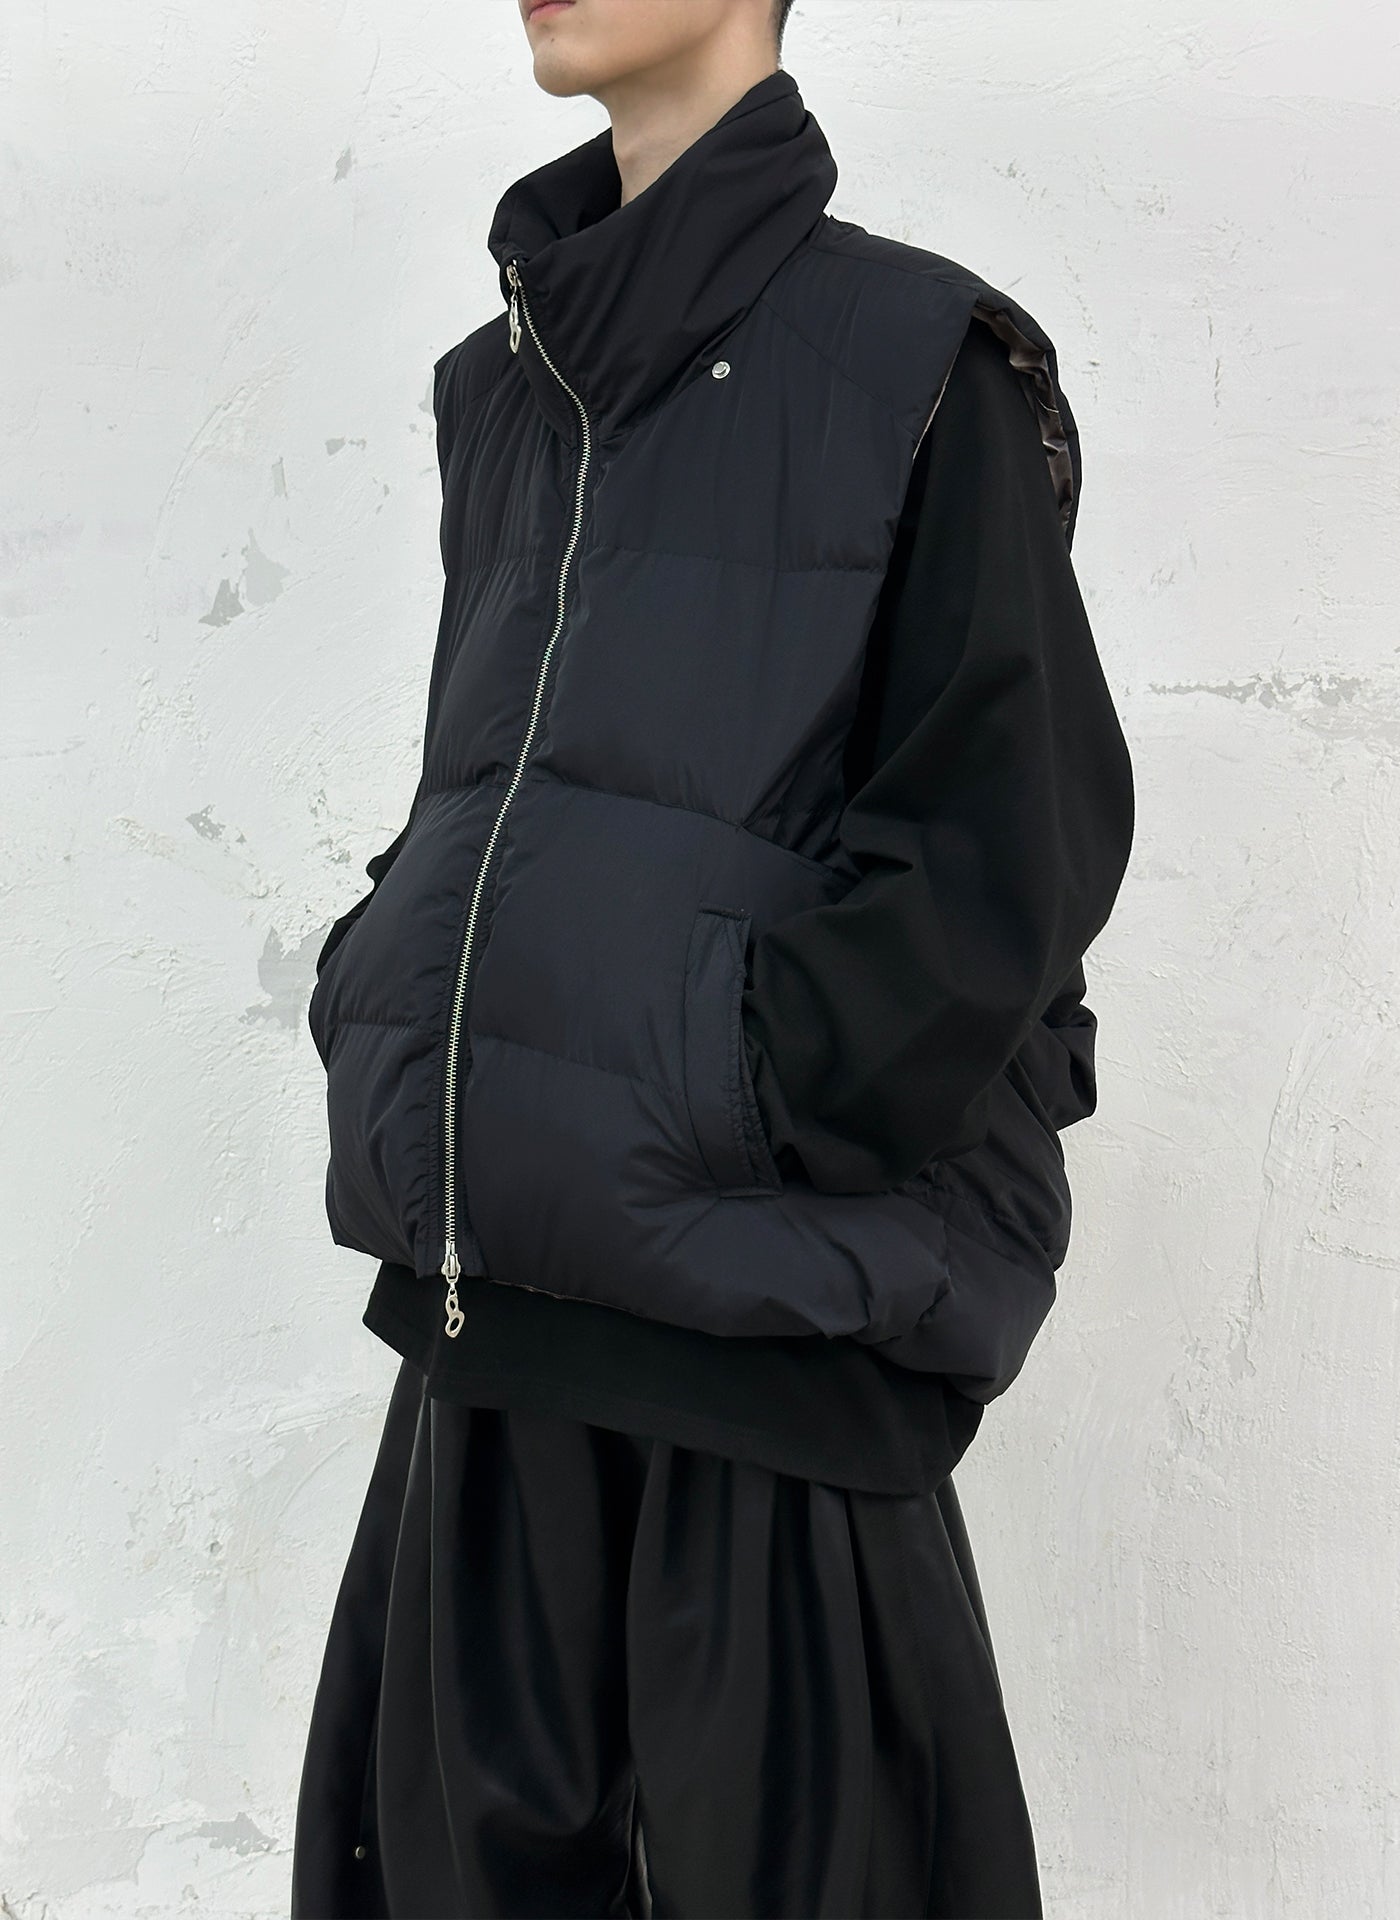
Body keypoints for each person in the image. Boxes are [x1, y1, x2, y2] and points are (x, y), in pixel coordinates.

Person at [291, 1, 1135, 1915]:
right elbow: (497, 789)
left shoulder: (918, 360)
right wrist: (392, 990)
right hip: (491, 1335)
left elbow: (1008, 854)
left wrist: (733, 1080)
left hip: (762, 1354)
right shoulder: (504, 389)